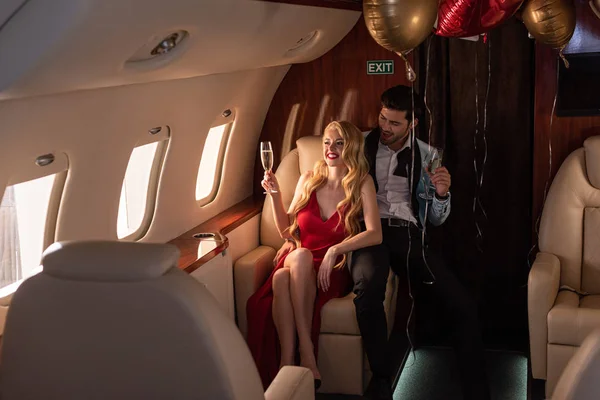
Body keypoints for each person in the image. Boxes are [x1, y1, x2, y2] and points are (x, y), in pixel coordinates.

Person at [352, 85, 490, 400]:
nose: (385, 127)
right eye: (383, 118)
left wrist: (442, 195)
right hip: (369, 231)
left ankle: (477, 392)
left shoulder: (428, 155)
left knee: (462, 304)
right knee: (367, 292)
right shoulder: (359, 144)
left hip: (408, 234)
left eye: (394, 123)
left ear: (412, 123)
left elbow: (436, 218)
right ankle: (383, 381)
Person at [246, 120, 383, 390]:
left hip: (329, 270)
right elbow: (287, 230)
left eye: (339, 143)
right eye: (327, 142)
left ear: (351, 146)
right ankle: (302, 357)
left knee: (283, 278)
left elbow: (375, 233)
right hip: (300, 259)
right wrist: (274, 194)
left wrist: (336, 249)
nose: (331, 148)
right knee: (292, 265)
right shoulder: (308, 179)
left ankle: (292, 361)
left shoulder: (361, 183)